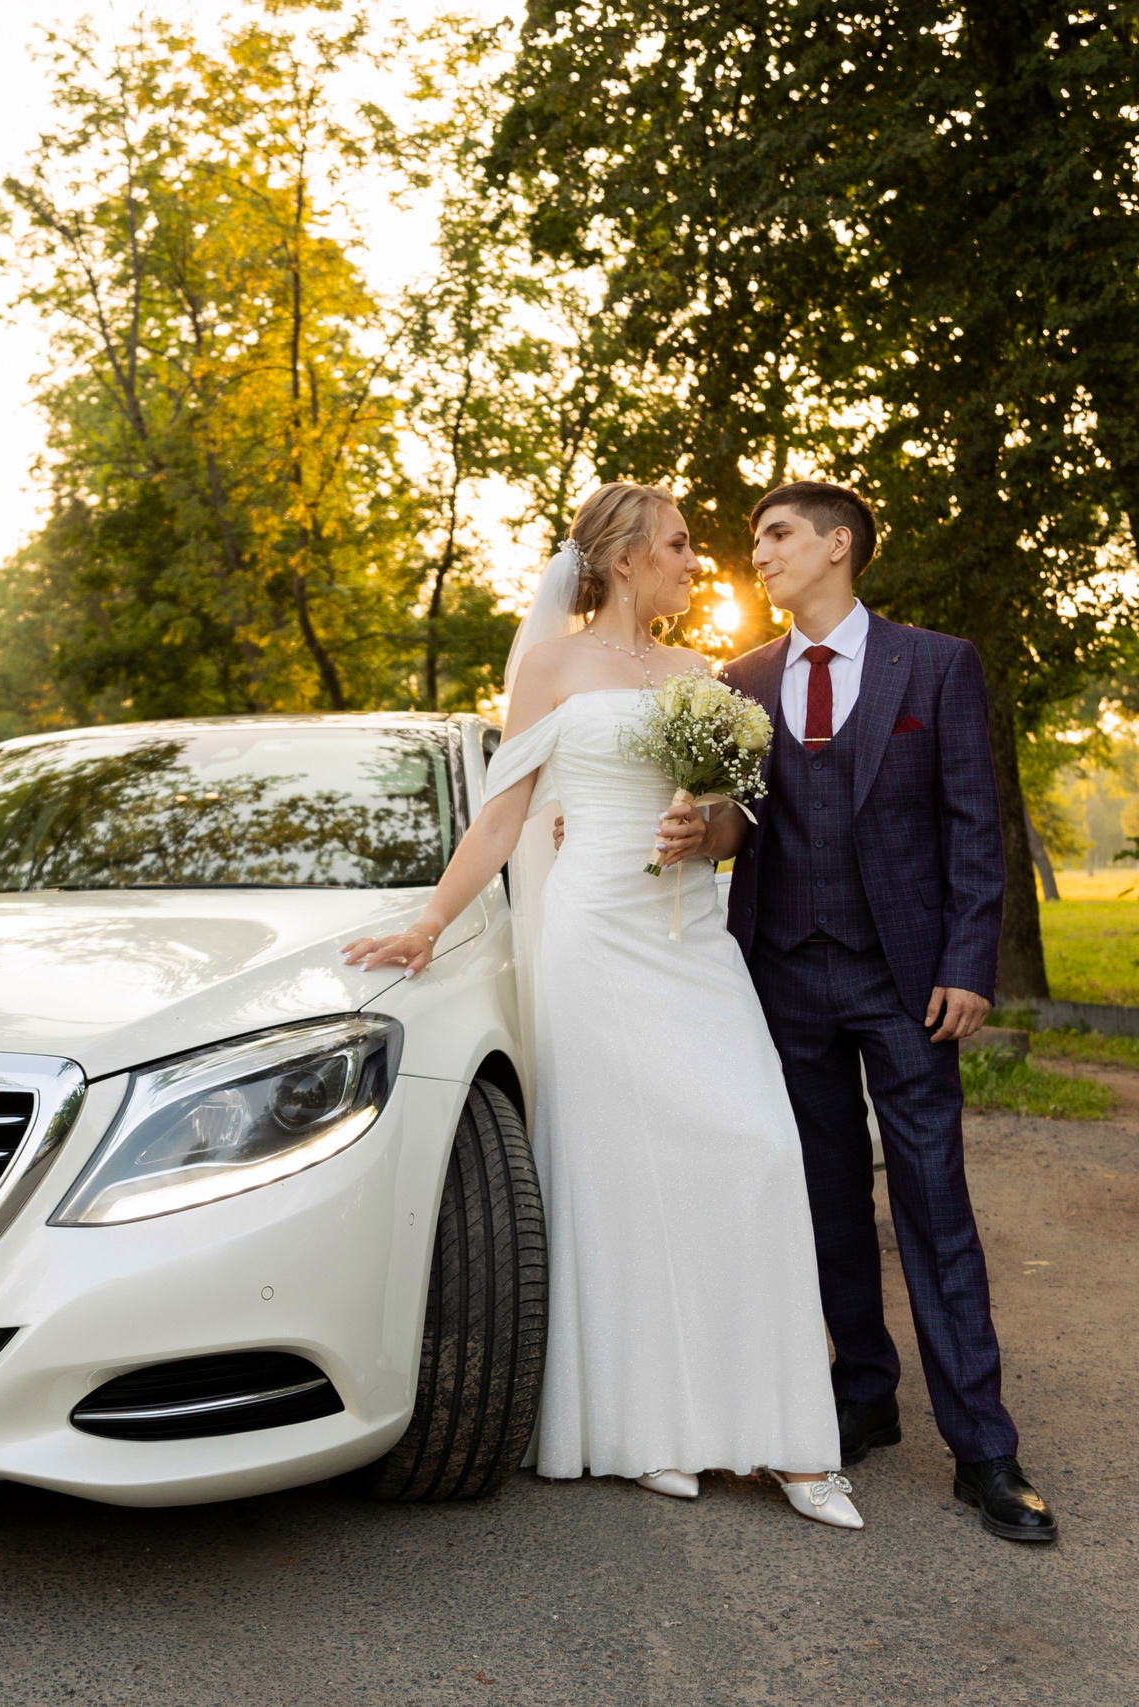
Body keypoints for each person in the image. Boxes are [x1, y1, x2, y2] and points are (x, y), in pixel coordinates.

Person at [343, 482, 860, 1528]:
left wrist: (703, 832)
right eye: (677, 546)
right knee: (619, 1173)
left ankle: (794, 1441)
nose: (692, 563)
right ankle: (645, 1429)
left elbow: (728, 828)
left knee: (756, 1147)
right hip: (589, 934)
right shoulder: (550, 666)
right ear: (624, 556)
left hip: (687, 937)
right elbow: (503, 818)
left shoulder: (698, 674)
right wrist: (429, 924)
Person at [687, 479, 1057, 1545]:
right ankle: (862, 1397)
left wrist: (969, 965)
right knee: (826, 1205)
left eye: (778, 535)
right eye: (757, 538)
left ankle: (984, 1448)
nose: (758, 553)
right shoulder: (741, 679)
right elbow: (735, 828)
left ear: (838, 544)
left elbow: (971, 825)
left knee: (935, 1207)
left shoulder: (935, 664)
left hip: (907, 984)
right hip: (782, 976)